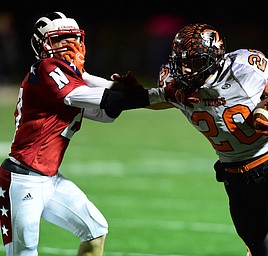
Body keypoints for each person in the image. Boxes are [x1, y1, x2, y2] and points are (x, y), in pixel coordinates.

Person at [113, 23, 268, 255]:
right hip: (237, 176)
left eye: (193, 62)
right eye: (181, 62)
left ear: (213, 57)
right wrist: (135, 94)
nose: (186, 70)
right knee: (260, 251)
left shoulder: (243, 71)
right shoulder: (180, 88)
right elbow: (159, 100)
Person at [0, 11, 166, 255]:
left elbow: (105, 114)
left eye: (73, 37)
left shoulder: (73, 77)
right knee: (25, 252)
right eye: (60, 39)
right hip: (22, 179)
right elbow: (91, 97)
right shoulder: (45, 68)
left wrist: (124, 91)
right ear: (42, 45)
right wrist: (141, 96)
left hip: (50, 178)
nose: (70, 44)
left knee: (95, 230)